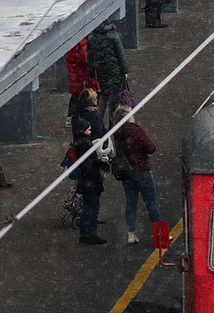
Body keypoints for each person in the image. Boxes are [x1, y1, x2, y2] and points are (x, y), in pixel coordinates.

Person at [112, 106, 162, 245]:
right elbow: (151, 148)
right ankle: (160, 235)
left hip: (127, 173)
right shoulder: (136, 131)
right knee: (152, 202)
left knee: (131, 203)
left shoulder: (117, 133)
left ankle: (131, 234)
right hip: (142, 170)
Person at [72, 117, 111, 245]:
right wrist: (101, 163)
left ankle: (84, 233)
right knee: (93, 207)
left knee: (86, 208)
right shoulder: (86, 144)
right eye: (88, 129)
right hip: (91, 182)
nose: (90, 131)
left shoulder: (79, 143)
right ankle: (91, 234)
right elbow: (91, 164)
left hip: (85, 182)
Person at [87, 19, 130, 124]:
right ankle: (113, 123)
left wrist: (92, 72)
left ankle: (98, 121)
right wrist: (125, 70)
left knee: (104, 94)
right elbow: (121, 54)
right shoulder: (113, 35)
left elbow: (90, 57)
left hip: (101, 71)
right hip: (115, 70)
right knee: (115, 97)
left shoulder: (91, 38)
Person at [64, 39, 97, 128]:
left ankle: (71, 117)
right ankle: (74, 117)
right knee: (80, 96)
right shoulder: (80, 41)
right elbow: (84, 57)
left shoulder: (72, 41)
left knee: (76, 95)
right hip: (80, 74)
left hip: (75, 74)